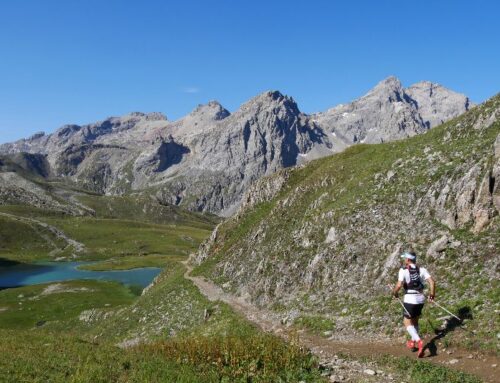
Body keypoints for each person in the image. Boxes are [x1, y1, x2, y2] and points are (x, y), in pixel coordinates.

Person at [392, 251, 435, 358]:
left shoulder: (403, 270)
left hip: (410, 299)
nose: (404, 260)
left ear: (407, 260)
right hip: (420, 299)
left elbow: (399, 285)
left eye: (404, 258)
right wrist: (432, 294)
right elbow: (432, 282)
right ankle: (413, 344)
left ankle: (418, 341)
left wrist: (394, 293)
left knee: (407, 322)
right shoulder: (422, 269)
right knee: (415, 321)